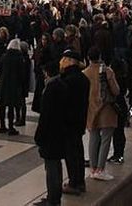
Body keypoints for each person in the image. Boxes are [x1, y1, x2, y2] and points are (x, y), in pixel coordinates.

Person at [82, 47, 119, 181]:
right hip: (106, 108)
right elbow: (116, 91)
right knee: (106, 138)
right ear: (100, 56)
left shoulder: (84, 73)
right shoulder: (107, 71)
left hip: (91, 108)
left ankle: (92, 168)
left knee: (93, 137)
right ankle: (100, 169)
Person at [34, 61, 67, 206]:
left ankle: (53, 199)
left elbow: (45, 116)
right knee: (56, 166)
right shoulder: (63, 85)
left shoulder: (50, 89)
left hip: (51, 135)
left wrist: (39, 136)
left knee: (51, 168)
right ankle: (55, 196)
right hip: (60, 132)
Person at [59, 49, 89, 196]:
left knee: (71, 154)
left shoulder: (68, 80)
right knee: (78, 151)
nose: (61, 61)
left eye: (63, 59)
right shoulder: (83, 78)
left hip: (69, 123)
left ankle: (74, 183)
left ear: (70, 61)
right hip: (79, 121)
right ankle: (80, 181)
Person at [0, 39, 25, 135]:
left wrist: (0, 80)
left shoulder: (4, 57)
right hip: (14, 85)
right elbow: (22, 73)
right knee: (11, 106)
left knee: (2, 106)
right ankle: (11, 127)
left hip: (4, 84)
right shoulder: (19, 58)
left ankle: (2, 126)